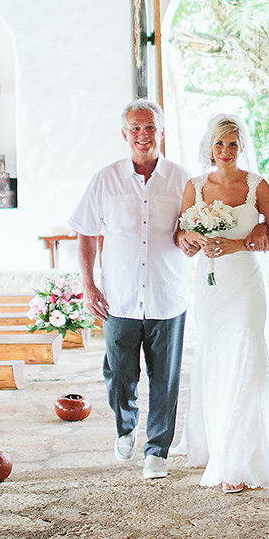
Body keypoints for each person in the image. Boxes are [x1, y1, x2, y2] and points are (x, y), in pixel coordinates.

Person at [172, 114, 269, 493]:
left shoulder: (257, 185)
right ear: (209, 147)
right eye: (219, 144)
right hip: (210, 288)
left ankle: (239, 458)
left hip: (245, 284)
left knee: (245, 352)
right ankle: (215, 443)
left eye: (232, 144)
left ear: (242, 146)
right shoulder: (194, 187)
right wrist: (191, 241)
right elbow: (180, 235)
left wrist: (238, 244)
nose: (226, 151)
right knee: (216, 356)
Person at [68, 99, 190, 480]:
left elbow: (190, 229)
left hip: (166, 295)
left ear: (161, 131)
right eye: (135, 128)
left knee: (165, 379)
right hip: (118, 297)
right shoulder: (106, 179)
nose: (143, 135)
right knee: (119, 375)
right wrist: (88, 285)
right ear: (124, 134)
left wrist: (191, 240)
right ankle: (125, 426)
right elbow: (86, 231)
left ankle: (158, 451)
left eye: (150, 127)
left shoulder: (181, 179)